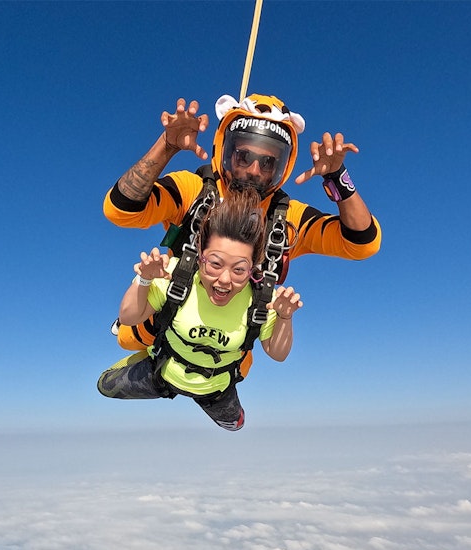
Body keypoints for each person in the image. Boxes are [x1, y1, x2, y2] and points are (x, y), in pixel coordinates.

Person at [103, 93, 380, 372]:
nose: (254, 170)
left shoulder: (287, 219)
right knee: (128, 336)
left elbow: (361, 243)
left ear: (283, 167)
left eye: (268, 162)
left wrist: (338, 179)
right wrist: (166, 146)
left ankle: (210, 390)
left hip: (230, 345)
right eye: (243, 156)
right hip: (170, 313)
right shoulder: (192, 190)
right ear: (225, 149)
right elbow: (121, 210)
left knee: (236, 370)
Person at [97, 190, 303, 431]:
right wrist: (144, 280)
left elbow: (277, 354)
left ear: (252, 269)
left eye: (239, 270)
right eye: (215, 264)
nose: (224, 280)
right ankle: (146, 353)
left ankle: (208, 400)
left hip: (215, 390)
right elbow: (129, 317)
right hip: (162, 373)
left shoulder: (262, 299)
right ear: (200, 256)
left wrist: (285, 317)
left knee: (236, 425)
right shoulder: (175, 275)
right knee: (104, 386)